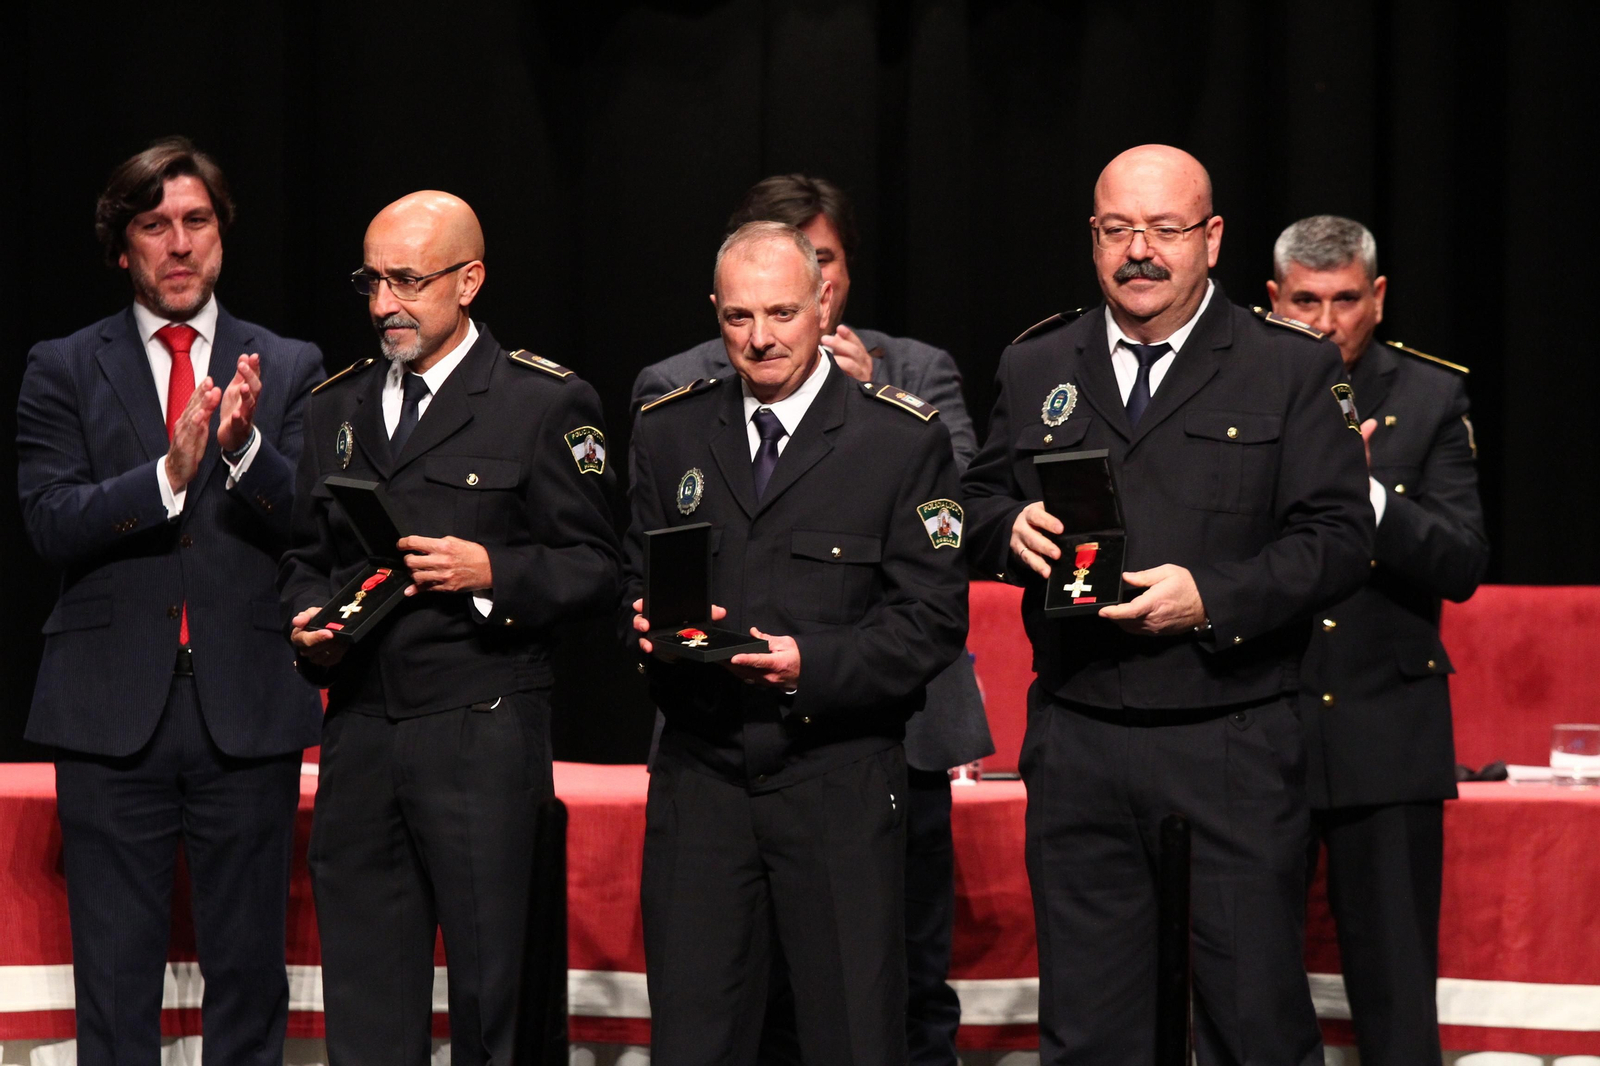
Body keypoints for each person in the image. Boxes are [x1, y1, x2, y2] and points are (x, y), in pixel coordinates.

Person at [961, 145, 1375, 1065]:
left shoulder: (1290, 368)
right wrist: (1005, 532)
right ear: (1094, 238)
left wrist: (1213, 597)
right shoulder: (1037, 363)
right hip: (1078, 739)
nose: (1139, 251)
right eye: (1117, 230)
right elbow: (974, 504)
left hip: (1227, 739)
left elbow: (1342, 539)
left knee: (1252, 1029)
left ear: (1212, 239)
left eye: (1165, 229)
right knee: (1090, 1035)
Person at [631, 174, 992, 1065]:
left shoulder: (900, 440)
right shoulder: (667, 431)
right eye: (739, 318)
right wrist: (640, 626)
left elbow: (931, 622)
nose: (761, 339)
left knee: (850, 1039)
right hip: (702, 780)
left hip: (838, 778)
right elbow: (627, 576)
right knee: (696, 1041)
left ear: (823, 302)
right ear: (716, 313)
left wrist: (811, 666)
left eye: (782, 314)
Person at [278, 191, 620, 1066]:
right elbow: (304, 558)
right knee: (364, 999)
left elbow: (593, 567)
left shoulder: (543, 403)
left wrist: (491, 573)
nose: (384, 302)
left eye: (407, 280)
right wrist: (304, 621)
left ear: (468, 281)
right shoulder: (332, 408)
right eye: (372, 280)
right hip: (358, 734)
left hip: (484, 727)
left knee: (494, 998)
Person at [15, 136, 324, 1065]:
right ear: (124, 247)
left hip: (248, 708)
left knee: (247, 982)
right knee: (114, 989)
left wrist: (238, 453)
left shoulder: (291, 363)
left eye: (196, 222)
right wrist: (165, 476)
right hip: (109, 715)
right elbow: (50, 520)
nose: (179, 243)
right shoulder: (63, 366)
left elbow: (314, 521)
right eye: (155, 226)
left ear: (221, 236)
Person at [1268, 215, 1488, 1066]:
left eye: (1347, 301)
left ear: (1379, 297)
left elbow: (1463, 561)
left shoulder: (1432, 398)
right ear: (1273, 301)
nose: (1326, 323)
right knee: (1257, 987)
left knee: (1397, 997)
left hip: (1385, 730)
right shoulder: (1240, 389)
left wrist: (1370, 498)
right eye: (1307, 302)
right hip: (1267, 720)